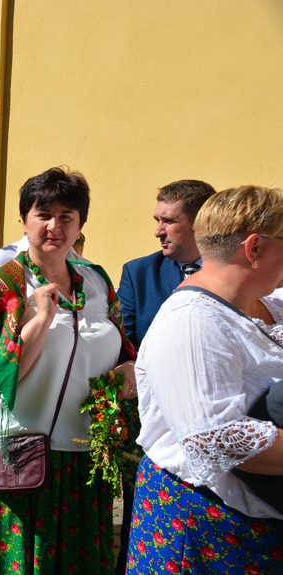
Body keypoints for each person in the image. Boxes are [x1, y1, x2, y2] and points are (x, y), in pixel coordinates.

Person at [0, 167, 137, 574]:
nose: (55, 227)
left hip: (85, 454)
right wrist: (38, 320)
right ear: (24, 221)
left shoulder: (96, 280)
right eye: (43, 215)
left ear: (80, 225)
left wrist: (128, 368)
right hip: (20, 453)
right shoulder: (1, 286)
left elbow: (122, 344)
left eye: (67, 217)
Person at [127, 186, 283, 574]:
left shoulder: (268, 303)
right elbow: (216, 440)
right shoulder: (192, 321)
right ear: (254, 249)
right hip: (208, 531)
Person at [118, 180, 216, 350]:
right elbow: (124, 343)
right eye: (157, 221)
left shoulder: (236, 269)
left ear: (201, 223)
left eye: (168, 221)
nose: (158, 232)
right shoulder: (138, 273)